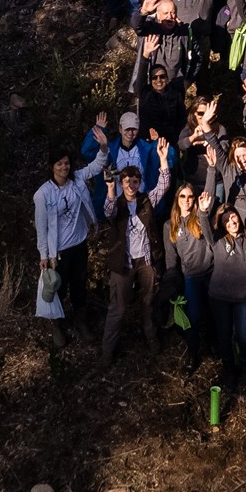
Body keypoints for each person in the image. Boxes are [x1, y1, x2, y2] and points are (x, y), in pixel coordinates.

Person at [34, 126, 111, 340]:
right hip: (59, 251)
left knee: (79, 284)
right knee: (59, 287)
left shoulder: (77, 179)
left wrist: (104, 147)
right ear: (52, 167)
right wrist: (44, 255)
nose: (64, 167)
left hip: (79, 244)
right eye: (59, 164)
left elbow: (97, 165)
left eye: (66, 163)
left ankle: (80, 320)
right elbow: (41, 226)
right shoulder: (43, 194)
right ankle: (56, 324)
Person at [98, 146, 172, 366]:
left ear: (140, 183)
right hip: (123, 264)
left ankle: (151, 338)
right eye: (127, 182)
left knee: (148, 302)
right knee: (117, 309)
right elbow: (108, 212)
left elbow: (164, 185)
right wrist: (110, 189)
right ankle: (107, 351)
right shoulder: (117, 203)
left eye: (135, 181)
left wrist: (163, 160)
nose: (131, 185)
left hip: (146, 262)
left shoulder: (146, 201)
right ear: (122, 184)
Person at [166, 181, 216, 369]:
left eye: (190, 196)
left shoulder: (201, 218)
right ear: (177, 199)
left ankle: (214, 345)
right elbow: (171, 258)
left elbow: (212, 239)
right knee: (193, 318)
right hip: (190, 278)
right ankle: (193, 353)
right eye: (182, 196)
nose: (186, 200)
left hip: (211, 273)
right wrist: (171, 283)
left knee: (212, 313)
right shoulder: (169, 225)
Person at [207, 205, 246, 384]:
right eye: (226, 220)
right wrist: (203, 211)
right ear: (222, 225)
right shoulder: (217, 240)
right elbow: (205, 226)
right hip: (220, 298)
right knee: (224, 334)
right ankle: (228, 369)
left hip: (244, 298)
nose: (231, 221)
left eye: (233, 217)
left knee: (244, 336)